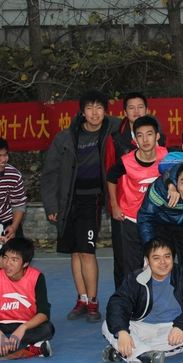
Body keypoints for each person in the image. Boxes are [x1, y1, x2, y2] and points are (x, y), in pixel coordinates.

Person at [41, 90, 122, 323]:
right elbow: (50, 173)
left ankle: (93, 302)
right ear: (82, 111)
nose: (94, 112)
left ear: (106, 110)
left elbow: (143, 124)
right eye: (89, 108)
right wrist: (51, 205)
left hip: (93, 199)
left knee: (87, 251)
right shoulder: (66, 138)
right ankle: (82, 299)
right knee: (75, 252)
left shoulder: (114, 129)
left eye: (99, 107)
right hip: (68, 201)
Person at [101, 237, 183, 363]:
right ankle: (143, 354)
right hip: (143, 326)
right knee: (109, 325)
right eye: (156, 258)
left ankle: (127, 351)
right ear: (147, 260)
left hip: (173, 328)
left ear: (173, 257)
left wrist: (181, 326)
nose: (163, 262)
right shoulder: (137, 278)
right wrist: (123, 332)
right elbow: (118, 303)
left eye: (167, 256)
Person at [103, 93, 167, 291]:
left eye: (140, 107)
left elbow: (178, 171)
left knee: (157, 260)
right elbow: (110, 175)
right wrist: (113, 205)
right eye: (131, 107)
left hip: (155, 215)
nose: (136, 111)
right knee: (126, 264)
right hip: (128, 215)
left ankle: (155, 300)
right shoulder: (117, 142)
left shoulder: (165, 152)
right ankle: (126, 300)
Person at [0, 237, 55, 358]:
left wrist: (23, 328)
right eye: (5, 257)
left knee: (48, 329)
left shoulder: (37, 277)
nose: (7, 263)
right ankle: (30, 348)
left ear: (25, 263)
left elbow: (44, 313)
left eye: (14, 259)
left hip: (26, 324)